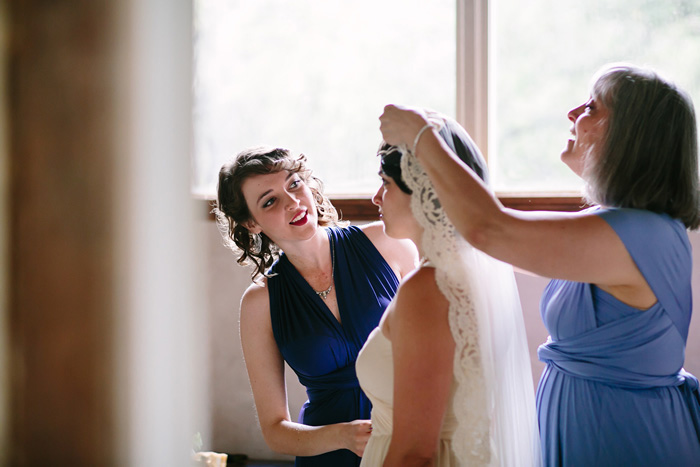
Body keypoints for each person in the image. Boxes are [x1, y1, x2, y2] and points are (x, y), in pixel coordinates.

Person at [378, 63, 700, 466]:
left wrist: (422, 138)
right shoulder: (614, 222)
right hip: (592, 429)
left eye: (593, 108)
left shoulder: (641, 235)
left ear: (633, 138)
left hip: (628, 435)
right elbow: (494, 240)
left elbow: (490, 230)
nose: (573, 114)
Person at [356, 112, 540, 466]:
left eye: (387, 183)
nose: (377, 197)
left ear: (425, 190)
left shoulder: (429, 288)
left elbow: (413, 454)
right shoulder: (470, 274)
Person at [214, 147, 416, 466]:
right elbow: (274, 430)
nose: (293, 202)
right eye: (270, 201)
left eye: (294, 184)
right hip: (329, 455)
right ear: (251, 223)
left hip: (410, 436)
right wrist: (343, 437)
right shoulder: (259, 302)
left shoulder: (389, 245)